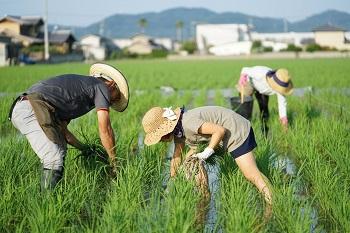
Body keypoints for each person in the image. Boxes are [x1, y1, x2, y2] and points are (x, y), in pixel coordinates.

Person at [8, 63, 129, 190]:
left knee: (60, 149)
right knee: (53, 157)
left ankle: (49, 199)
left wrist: (85, 149)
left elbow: (64, 132)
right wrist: (114, 161)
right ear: (112, 85)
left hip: (28, 108)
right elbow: (105, 130)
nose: (114, 101)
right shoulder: (100, 87)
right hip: (31, 108)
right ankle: (46, 204)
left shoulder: (80, 92)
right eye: (117, 96)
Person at [142, 106, 272, 211]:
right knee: (191, 163)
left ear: (166, 130)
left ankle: (273, 205)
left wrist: (207, 152)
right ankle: (204, 198)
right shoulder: (179, 130)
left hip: (235, 130)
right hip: (225, 134)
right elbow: (177, 156)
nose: (162, 141)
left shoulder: (187, 123)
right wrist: (172, 181)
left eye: (161, 137)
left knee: (251, 175)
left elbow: (219, 130)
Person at [235, 66, 293, 134]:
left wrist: (283, 118)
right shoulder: (260, 73)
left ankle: (265, 130)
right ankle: (243, 128)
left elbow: (282, 104)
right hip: (249, 83)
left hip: (263, 89)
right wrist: (242, 77)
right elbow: (245, 69)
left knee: (264, 109)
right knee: (245, 106)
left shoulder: (280, 86)